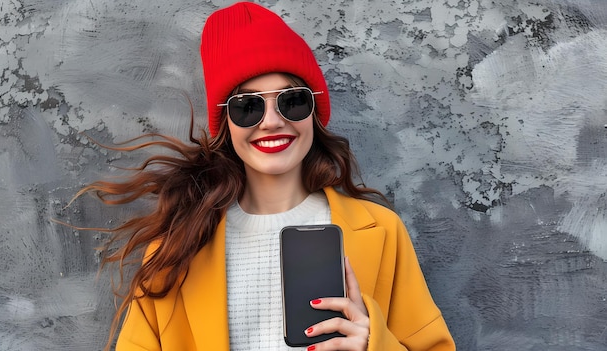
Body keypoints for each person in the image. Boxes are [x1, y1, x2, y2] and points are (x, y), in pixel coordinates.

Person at [82, 2, 455, 350]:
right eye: (248, 106)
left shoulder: (382, 231)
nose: (272, 122)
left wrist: (373, 344)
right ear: (226, 122)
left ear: (313, 110)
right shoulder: (175, 248)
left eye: (292, 100)